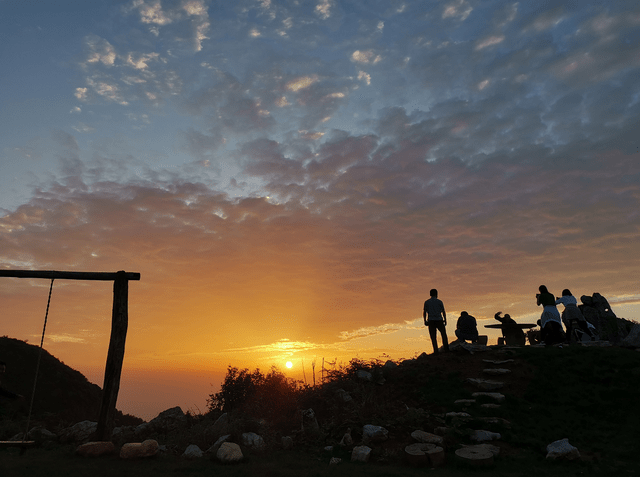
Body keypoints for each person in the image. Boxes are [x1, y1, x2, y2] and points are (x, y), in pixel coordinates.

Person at [423, 289, 449, 354]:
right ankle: (446, 349)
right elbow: (443, 311)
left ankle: (436, 351)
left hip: (431, 320)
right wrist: (445, 319)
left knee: (433, 336)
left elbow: (425, 312)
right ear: (436, 294)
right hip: (439, 320)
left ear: (430, 294)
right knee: (444, 335)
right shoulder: (439, 302)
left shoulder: (427, 302)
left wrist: (425, 320)